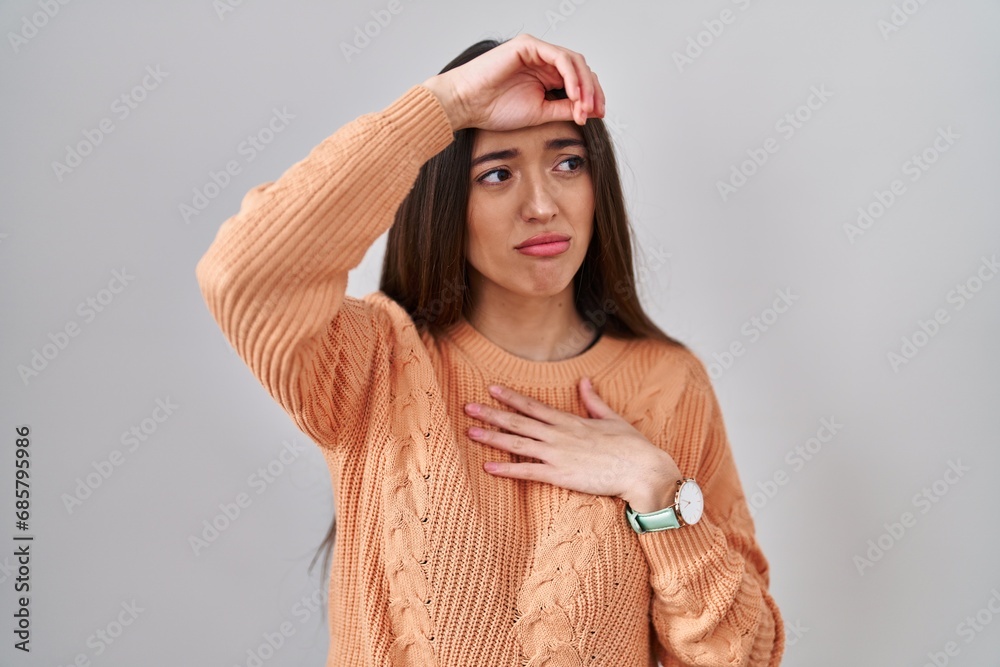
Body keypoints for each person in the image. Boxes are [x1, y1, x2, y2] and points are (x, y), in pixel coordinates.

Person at [195, 32, 785, 667]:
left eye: (568, 164)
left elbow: (745, 656)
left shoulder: (668, 383)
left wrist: (655, 489)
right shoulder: (373, 363)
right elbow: (245, 273)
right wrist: (443, 107)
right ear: (447, 199)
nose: (542, 205)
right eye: (497, 173)